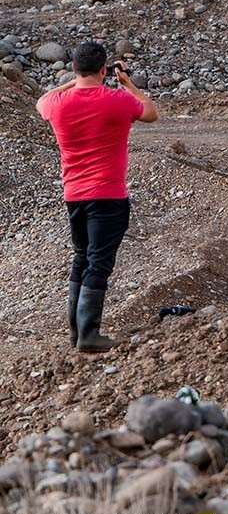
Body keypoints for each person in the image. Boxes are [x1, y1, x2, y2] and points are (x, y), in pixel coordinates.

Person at [36, 41, 159, 353]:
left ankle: (76, 332)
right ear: (105, 70)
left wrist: (72, 82)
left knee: (82, 257)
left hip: (74, 195)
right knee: (98, 263)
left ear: (74, 69)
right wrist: (128, 83)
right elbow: (151, 113)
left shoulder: (57, 104)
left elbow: (43, 100)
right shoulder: (117, 100)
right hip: (108, 195)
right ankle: (89, 334)